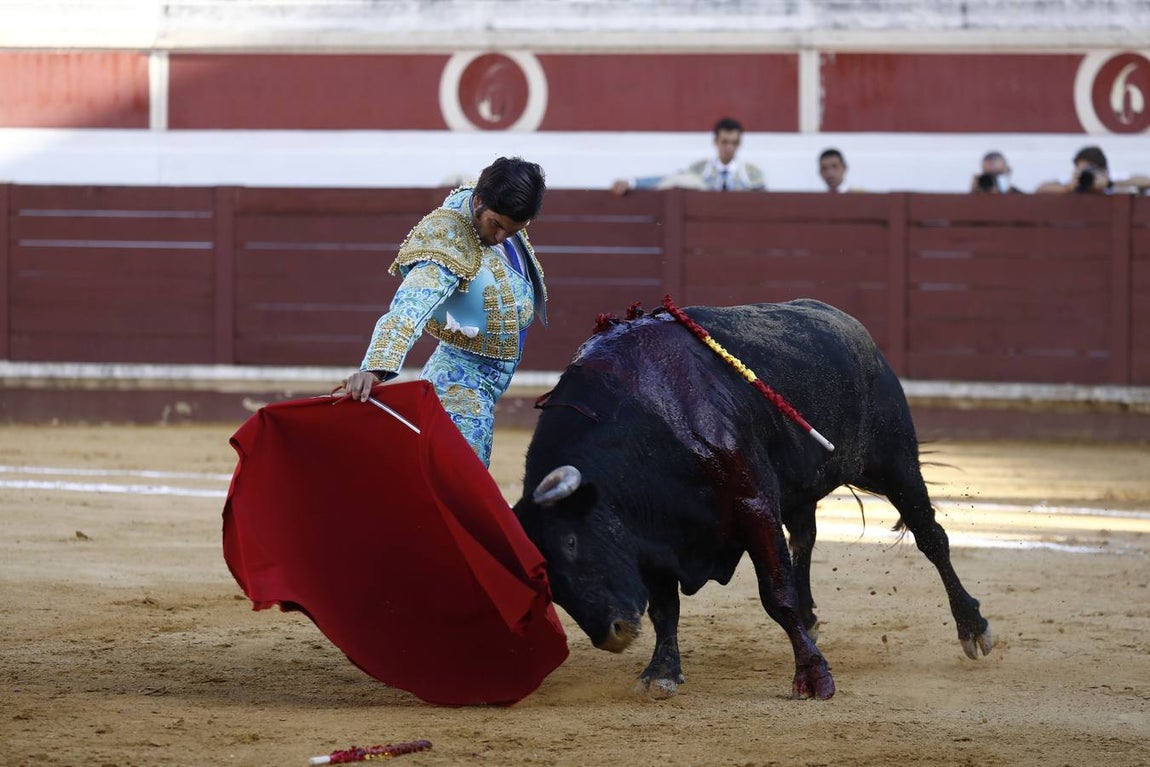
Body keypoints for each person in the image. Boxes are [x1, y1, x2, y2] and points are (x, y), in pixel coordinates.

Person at [340, 157, 548, 467]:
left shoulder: (492, 208)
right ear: (478, 201)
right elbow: (410, 306)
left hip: (481, 383)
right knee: (462, 483)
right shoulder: (446, 241)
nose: (502, 237)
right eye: (497, 225)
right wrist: (375, 367)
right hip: (458, 383)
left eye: (514, 229)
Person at [611, 117, 765, 194]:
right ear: (716, 142)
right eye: (725, 142)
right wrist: (632, 183)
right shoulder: (700, 168)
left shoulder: (752, 173)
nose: (729, 147)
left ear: (739, 144)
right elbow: (668, 180)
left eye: (734, 143)